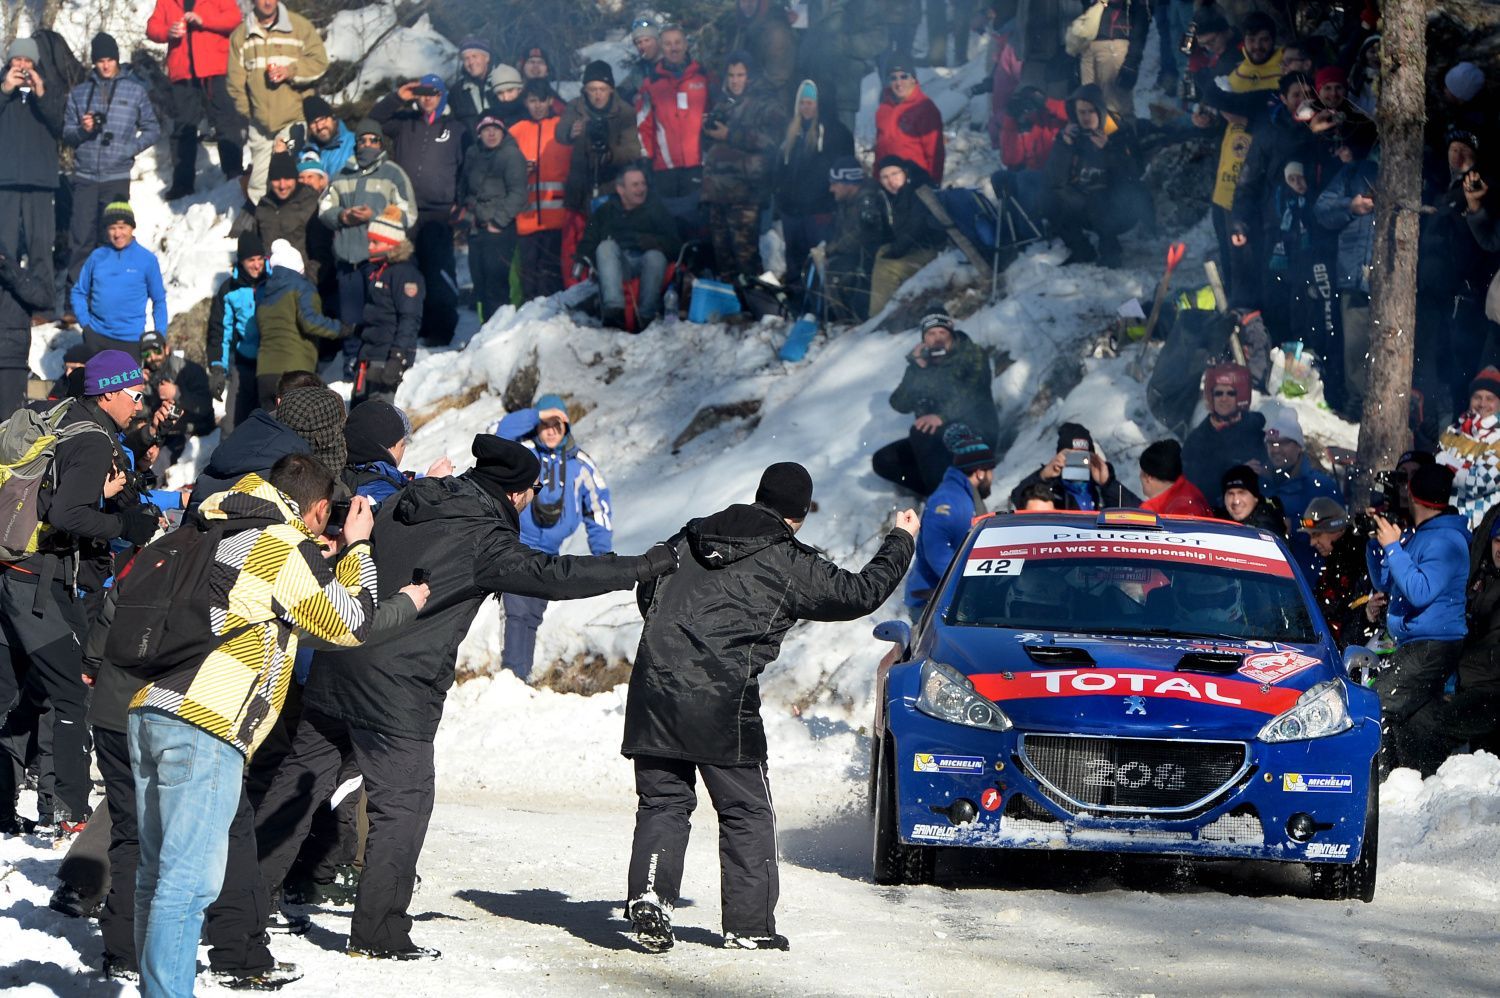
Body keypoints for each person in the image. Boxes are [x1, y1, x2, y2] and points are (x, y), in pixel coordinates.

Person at [252, 435, 678, 960]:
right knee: (402, 805)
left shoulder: (410, 500)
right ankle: (378, 934)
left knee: (299, 781)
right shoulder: (486, 539)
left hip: (341, 660)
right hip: (397, 692)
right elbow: (557, 575)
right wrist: (640, 566)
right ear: (518, 494)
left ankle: (237, 907)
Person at [623, 462, 916, 952]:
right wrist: (900, 540)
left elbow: (647, 588)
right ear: (798, 515)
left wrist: (675, 643)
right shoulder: (788, 559)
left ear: (759, 496)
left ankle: (651, 894)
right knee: (746, 810)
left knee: (664, 802)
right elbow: (859, 593)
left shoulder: (689, 536)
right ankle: (749, 926)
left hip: (654, 687)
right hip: (721, 700)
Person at [128, 455, 388, 996]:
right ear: (319, 508)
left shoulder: (218, 526)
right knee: (188, 884)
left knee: (158, 878)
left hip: (152, 706)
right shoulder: (280, 545)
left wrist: (322, 560)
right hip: (206, 722)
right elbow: (350, 623)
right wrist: (359, 547)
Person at [0, 350, 159, 835]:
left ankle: (4, 806)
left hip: (14, 571)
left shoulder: (63, 415)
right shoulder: (92, 442)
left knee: (14, 693)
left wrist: (104, 498)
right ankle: (70, 810)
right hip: (37, 583)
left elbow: (54, 494)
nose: (138, 405)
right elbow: (67, 515)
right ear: (109, 392)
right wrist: (124, 522)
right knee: (70, 693)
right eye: (133, 396)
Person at [490, 394, 614, 680]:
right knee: (516, 611)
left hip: (549, 553)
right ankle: (511, 676)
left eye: (556, 424)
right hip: (515, 545)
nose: (550, 430)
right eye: (544, 424)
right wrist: (537, 413)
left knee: (531, 614)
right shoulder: (523, 452)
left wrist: (603, 555)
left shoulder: (581, 465)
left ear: (566, 426)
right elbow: (499, 434)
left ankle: (519, 677)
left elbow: (598, 509)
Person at [1366, 463, 1471, 775]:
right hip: (1416, 643)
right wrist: (1378, 543)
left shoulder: (1447, 540)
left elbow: (1421, 591)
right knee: (1415, 717)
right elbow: (1386, 581)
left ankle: (1376, 782)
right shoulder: (1423, 535)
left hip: (1434, 645)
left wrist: (1394, 549)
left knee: (1378, 705)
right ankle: (1414, 777)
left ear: (1414, 495)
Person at [371, 75, 470, 346]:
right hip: (406, 210)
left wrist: (461, 202)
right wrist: (397, 98)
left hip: (439, 212)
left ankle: (442, 328)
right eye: (423, 93)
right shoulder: (405, 123)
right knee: (406, 271)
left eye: (434, 93)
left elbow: (467, 168)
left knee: (438, 271)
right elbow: (373, 122)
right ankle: (412, 326)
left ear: (443, 96)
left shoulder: (456, 128)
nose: (427, 98)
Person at [62, 34, 162, 294]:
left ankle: (108, 295)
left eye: (110, 60)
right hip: (84, 176)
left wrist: (128, 149)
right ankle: (75, 300)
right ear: (93, 63)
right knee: (80, 238)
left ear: (117, 60)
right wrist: (83, 130)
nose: (105, 66)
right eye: (100, 61)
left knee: (113, 237)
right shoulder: (80, 93)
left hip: (116, 176)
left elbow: (152, 129)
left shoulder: (135, 91)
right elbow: (67, 134)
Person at [1402, 516, 1500, 774]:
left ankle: (1419, 786)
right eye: (1498, 541)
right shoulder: (1481, 577)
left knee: (1432, 725)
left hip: (1491, 691)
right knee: (1417, 714)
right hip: (1469, 684)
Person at [872, 311, 1000, 497]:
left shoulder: (971, 353)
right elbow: (900, 403)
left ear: (951, 333)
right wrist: (917, 368)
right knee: (884, 460)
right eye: (931, 334)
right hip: (933, 442)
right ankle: (942, 492)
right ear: (924, 339)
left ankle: (943, 498)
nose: (937, 338)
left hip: (975, 431)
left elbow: (974, 392)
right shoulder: (923, 364)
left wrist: (942, 417)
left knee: (920, 432)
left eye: (942, 332)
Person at [318, 118, 415, 359]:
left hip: (379, 258)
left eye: (373, 140)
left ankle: (379, 360)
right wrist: (343, 215)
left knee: (379, 314)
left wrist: (376, 217)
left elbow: (408, 213)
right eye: (363, 140)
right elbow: (324, 208)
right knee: (350, 318)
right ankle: (350, 366)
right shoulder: (342, 174)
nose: (368, 145)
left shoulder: (393, 173)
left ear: (381, 143)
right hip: (347, 257)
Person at [227, 0, 329, 206]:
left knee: (287, 176)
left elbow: (320, 63)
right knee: (258, 183)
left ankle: (292, 227)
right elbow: (234, 83)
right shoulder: (241, 35)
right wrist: (250, 113)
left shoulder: (298, 26)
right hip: (260, 124)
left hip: (294, 119)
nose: (267, 2)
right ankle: (262, 226)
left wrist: (291, 71)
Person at [147, 0, 245, 200]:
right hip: (182, 71)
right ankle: (182, 184)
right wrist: (168, 31)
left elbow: (234, 19)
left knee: (225, 120)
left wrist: (204, 20)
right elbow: (151, 28)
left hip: (215, 67)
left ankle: (233, 172)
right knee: (183, 128)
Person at [557, 61, 643, 282]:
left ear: (611, 89)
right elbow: (560, 132)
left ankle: (606, 287)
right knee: (574, 245)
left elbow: (633, 151)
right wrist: (571, 131)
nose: (597, 95)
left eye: (602, 89)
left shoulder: (624, 112)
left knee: (607, 243)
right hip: (579, 188)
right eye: (592, 89)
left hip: (610, 186)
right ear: (585, 90)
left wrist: (611, 154)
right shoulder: (575, 108)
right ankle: (574, 289)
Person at [702, 53, 785, 281]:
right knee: (724, 260)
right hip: (718, 193)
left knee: (746, 260)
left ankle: (758, 308)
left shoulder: (765, 103)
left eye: (740, 75)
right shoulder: (723, 103)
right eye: (731, 76)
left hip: (746, 193)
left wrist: (730, 134)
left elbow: (772, 139)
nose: (735, 81)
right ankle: (732, 311)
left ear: (750, 77)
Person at [0, 37, 65, 321]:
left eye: (28, 61)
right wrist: (4, 91)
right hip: (6, 181)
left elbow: (62, 124)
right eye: (18, 60)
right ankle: (5, 305)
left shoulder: (49, 89)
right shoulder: (2, 89)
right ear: (9, 62)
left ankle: (43, 305)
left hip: (40, 181)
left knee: (41, 245)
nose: (23, 66)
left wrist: (42, 93)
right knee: (5, 247)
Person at [1045, 83, 1144, 267]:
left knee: (1097, 198)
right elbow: (1055, 179)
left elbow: (1134, 174)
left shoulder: (1118, 132)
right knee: (1053, 197)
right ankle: (1081, 249)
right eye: (1081, 112)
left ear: (1100, 110)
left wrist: (1108, 150)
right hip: (1084, 201)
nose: (1086, 117)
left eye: (1091, 111)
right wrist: (1064, 146)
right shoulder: (1072, 135)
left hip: (1121, 207)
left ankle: (1111, 252)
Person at [1314, 137, 1378, 419]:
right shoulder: (1354, 172)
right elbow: (1322, 209)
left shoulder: (1418, 171)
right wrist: (1351, 206)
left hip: (1395, 277)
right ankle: (1355, 407)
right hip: (1355, 273)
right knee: (1355, 345)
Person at [576, 164, 682, 331]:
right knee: (606, 247)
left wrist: (653, 242)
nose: (641, 189)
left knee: (655, 256)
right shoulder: (606, 210)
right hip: (618, 263)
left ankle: (646, 317)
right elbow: (589, 238)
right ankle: (614, 313)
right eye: (635, 184)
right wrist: (581, 259)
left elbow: (676, 244)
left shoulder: (656, 209)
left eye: (643, 184)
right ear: (620, 189)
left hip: (646, 262)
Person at [906, 424, 993, 617]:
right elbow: (937, 552)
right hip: (932, 601)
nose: (992, 477)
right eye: (990, 470)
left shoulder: (962, 496)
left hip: (946, 599)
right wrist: (968, 588)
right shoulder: (949, 500)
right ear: (979, 472)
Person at [774, 79, 854, 287]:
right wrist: (780, 198)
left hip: (819, 210)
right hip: (792, 211)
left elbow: (843, 172)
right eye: (802, 102)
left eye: (811, 102)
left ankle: (822, 305)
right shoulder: (791, 132)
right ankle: (795, 301)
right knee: (794, 259)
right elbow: (781, 169)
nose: (805, 107)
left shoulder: (836, 133)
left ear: (821, 104)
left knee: (820, 261)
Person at [70, 202, 169, 360]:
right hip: (96, 337)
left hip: (130, 341)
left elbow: (159, 301)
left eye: (122, 227)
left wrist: (160, 335)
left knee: (125, 386)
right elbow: (78, 292)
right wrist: (86, 325)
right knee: (95, 385)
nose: (117, 233)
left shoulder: (147, 260)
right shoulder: (97, 257)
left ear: (132, 228)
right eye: (112, 228)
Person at [253, 239, 342, 408]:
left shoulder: (264, 292)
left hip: (264, 373)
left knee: (272, 430)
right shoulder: (302, 286)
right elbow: (310, 322)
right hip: (294, 373)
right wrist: (341, 328)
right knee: (297, 428)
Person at [637, 26, 711, 229]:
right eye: (668, 44)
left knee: (698, 226)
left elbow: (716, 113)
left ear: (686, 45)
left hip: (698, 164)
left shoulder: (703, 78)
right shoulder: (651, 83)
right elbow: (644, 125)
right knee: (670, 226)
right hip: (665, 168)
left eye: (678, 43)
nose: (674, 48)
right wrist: (646, 158)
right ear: (662, 47)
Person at [459, 113, 527, 321]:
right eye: (486, 129)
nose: (491, 133)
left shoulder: (511, 155)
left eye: (495, 129)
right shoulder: (473, 153)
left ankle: (500, 335)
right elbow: (464, 188)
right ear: (479, 133)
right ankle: (485, 333)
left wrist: (498, 222)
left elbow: (518, 192)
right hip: (475, 228)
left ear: (502, 131)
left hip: (499, 229)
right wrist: (464, 214)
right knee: (480, 283)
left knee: (496, 285)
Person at [1258, 407, 1340, 578]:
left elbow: (1337, 524)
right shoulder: (1260, 481)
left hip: (1309, 576)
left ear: (1299, 447)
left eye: (1284, 442)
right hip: (1267, 575)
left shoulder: (1320, 485)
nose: (1276, 449)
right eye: (1271, 443)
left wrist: (1296, 525)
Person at [353, 208, 423, 405]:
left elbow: (409, 318)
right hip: (369, 354)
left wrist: (397, 358)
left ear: (392, 245)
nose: (370, 247)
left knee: (379, 421)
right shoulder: (378, 271)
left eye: (375, 242)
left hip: (386, 357)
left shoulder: (405, 274)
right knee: (360, 415)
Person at [508, 81, 570, 301]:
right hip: (526, 218)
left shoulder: (562, 127)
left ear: (551, 101)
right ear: (525, 102)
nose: (538, 106)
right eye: (532, 101)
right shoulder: (515, 131)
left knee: (553, 275)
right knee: (529, 276)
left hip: (558, 217)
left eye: (542, 100)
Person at [867, 157, 947, 317]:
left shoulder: (918, 191)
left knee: (887, 268)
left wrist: (896, 251)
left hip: (932, 249)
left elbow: (916, 227)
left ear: (906, 173)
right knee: (882, 251)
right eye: (885, 177)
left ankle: (876, 317)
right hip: (916, 247)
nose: (891, 181)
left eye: (895, 174)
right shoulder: (892, 196)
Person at [207, 231, 268, 434]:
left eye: (260, 259)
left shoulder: (273, 283)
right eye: (251, 260)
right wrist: (217, 368)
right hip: (242, 365)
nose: (257, 265)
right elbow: (219, 331)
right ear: (241, 261)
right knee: (233, 424)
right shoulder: (229, 290)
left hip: (269, 363)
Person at [1008, 422, 1142, 511]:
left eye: (1083, 457)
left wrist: (1108, 483)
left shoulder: (1101, 490)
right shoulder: (1050, 489)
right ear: (1059, 457)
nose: (1078, 462)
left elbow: (1139, 511)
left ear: (1092, 458)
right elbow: (1018, 499)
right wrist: (1043, 475)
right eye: (1071, 457)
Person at [818, 156, 888, 322]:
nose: (831, 189)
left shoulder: (867, 201)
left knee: (841, 272)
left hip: (868, 260)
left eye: (835, 184)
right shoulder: (846, 201)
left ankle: (856, 319)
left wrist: (834, 249)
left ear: (849, 183)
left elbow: (863, 236)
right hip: (853, 256)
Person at [1181, 367, 1268, 499]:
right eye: (1218, 393)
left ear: (1241, 395)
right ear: (1211, 397)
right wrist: (1237, 472)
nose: (1223, 399)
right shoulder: (1197, 440)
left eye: (1230, 393)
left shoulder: (1254, 430)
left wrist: (1267, 472)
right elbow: (1195, 485)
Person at [1297, 496, 1371, 648]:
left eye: (1316, 534)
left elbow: (1350, 617)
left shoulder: (1358, 561)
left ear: (1336, 528)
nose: (1312, 542)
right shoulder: (1334, 561)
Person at [1437, 367, 1500, 530]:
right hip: (1448, 523)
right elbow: (1434, 473)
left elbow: (1480, 482)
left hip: (1482, 529)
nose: (1482, 404)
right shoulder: (1453, 431)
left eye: (1490, 398)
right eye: (1477, 397)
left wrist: (1448, 466)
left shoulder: (1498, 438)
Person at [700, 0, 798, 98]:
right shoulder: (740, 25)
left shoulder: (776, 33)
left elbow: (777, 77)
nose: (747, 4)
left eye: (752, 1)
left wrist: (745, 86)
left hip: (769, 101)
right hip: (744, 96)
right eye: (743, 1)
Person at [0, 234, 52, 413]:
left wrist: (7, 265)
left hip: (11, 357)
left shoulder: (17, 269)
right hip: (12, 353)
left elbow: (42, 298)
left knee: (9, 424)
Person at [873, 58, 944, 185]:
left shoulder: (925, 108)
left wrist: (934, 184)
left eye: (903, 77)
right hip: (888, 184)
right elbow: (879, 150)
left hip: (916, 182)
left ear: (913, 79)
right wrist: (875, 180)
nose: (898, 83)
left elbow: (935, 152)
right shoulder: (883, 109)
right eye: (893, 78)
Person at [255, 150, 322, 282]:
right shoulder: (263, 206)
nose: (282, 185)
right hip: (271, 282)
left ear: (296, 178)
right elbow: (257, 246)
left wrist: (309, 281)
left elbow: (321, 253)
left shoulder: (310, 203)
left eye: (287, 178)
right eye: (276, 179)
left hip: (303, 282)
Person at [139, 330, 215, 447]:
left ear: (167, 349)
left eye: (157, 351)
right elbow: (141, 414)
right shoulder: (145, 376)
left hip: (193, 434)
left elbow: (205, 407)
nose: (152, 357)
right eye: (146, 354)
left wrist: (177, 393)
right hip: (162, 433)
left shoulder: (189, 370)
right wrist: (139, 390)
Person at [1078, 0, 1150, 117]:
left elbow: (1141, 19)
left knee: (1115, 106)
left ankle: (1121, 133)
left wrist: (1132, 61)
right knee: (1089, 104)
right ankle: (1099, 134)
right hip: (1090, 43)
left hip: (1113, 42)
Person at [279, 94, 354, 178]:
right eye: (313, 123)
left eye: (322, 119)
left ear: (333, 118)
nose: (319, 127)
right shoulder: (305, 153)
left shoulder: (353, 145)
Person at [1138, 439, 1213, 516]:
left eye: (1142, 471)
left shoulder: (1150, 514)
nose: (1139, 476)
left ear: (1149, 477)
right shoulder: (1191, 493)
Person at [1213, 463, 1287, 536]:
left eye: (1241, 493)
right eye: (1230, 494)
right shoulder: (1215, 522)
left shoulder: (1267, 531)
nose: (1236, 500)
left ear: (1255, 498)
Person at [448, 36, 497, 132]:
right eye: (466, 59)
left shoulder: (501, 82)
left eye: (475, 56)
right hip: (472, 145)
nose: (471, 62)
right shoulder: (457, 92)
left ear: (487, 58)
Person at [618, 11, 664, 105]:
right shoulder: (639, 70)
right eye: (639, 42)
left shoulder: (673, 62)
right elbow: (621, 91)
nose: (643, 46)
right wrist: (632, 98)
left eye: (647, 40)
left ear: (657, 41)